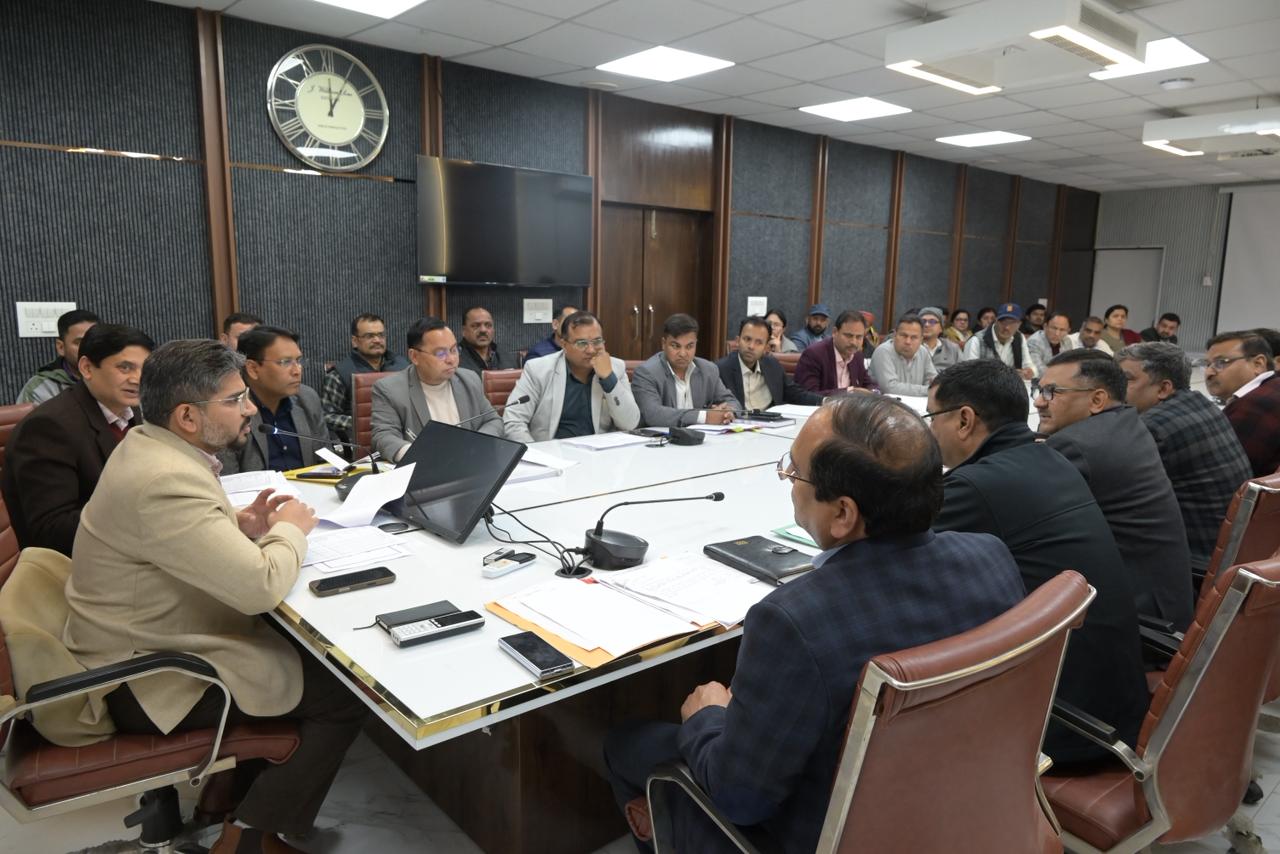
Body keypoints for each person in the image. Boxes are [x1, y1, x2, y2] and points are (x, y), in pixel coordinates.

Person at [602, 394, 1025, 852]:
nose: (787, 480)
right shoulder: (990, 555)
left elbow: (739, 796)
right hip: (966, 809)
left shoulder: (793, 621)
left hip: (830, 835)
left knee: (625, 743)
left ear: (842, 513)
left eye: (795, 471)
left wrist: (706, 717)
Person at [63, 339, 366, 853]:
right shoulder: (164, 479)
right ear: (187, 415)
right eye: (235, 399)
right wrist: (289, 531)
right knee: (344, 691)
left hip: (137, 638)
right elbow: (258, 587)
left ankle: (229, 802)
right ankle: (247, 838)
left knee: (297, 657)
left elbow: (169, 538)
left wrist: (237, 527)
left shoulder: (149, 445)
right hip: (145, 676)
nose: (249, 409)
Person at [927, 360, 1148, 765]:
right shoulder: (1048, 459)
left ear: (964, 420)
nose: (930, 431)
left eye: (932, 417)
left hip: (1061, 726)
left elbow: (887, 543)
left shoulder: (978, 485)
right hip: (1112, 707)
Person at [1035, 349, 1194, 630]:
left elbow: (1026, 517)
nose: (1038, 402)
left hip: (1133, 618)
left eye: (1052, 392)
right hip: (1165, 599)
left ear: (1097, 399)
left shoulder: (1075, 444)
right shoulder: (1125, 422)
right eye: (1039, 390)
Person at [2, 323, 152, 557]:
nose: (138, 379)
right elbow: (52, 529)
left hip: (127, 545)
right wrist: (147, 515)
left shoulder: (133, 411)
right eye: (125, 367)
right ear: (87, 368)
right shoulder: (48, 427)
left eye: (145, 369)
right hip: (76, 561)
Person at [1116, 342, 1252, 574]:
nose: (1114, 389)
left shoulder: (1152, 427)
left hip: (1195, 563)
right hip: (1232, 550)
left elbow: (1112, 495)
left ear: (1163, 388)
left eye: (1126, 380)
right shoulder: (1202, 404)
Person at [370, 317, 503, 463]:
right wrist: (416, 455)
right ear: (414, 356)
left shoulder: (469, 379)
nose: (451, 359)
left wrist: (476, 443)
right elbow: (383, 436)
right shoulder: (389, 389)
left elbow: (493, 420)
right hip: (424, 468)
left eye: (454, 350)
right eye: (440, 354)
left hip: (469, 462)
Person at [503, 311, 639, 443]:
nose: (591, 350)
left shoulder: (615, 368)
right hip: (552, 452)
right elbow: (514, 421)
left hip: (600, 453)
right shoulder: (538, 370)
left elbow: (630, 423)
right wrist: (535, 454)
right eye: (582, 343)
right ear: (564, 345)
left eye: (597, 341)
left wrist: (608, 379)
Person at [222, 326, 333, 474]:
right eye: (285, 362)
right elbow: (228, 480)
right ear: (253, 369)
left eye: (298, 361)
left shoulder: (307, 398)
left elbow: (326, 460)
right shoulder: (229, 410)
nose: (297, 371)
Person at [632, 313, 739, 428]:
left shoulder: (708, 370)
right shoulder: (646, 373)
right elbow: (653, 414)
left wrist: (727, 412)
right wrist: (704, 416)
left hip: (704, 436)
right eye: (675, 346)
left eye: (689, 346)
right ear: (663, 344)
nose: (683, 354)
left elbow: (732, 402)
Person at [321, 313, 409, 446]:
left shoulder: (403, 366)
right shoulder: (339, 374)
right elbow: (326, 416)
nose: (377, 340)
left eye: (381, 335)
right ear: (355, 341)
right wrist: (361, 423)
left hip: (403, 441)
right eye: (369, 336)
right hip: (363, 445)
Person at [1203, 331, 1279, 478]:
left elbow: (1224, 474)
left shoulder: (1255, 406)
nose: (1208, 373)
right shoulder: (1273, 388)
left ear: (1258, 364)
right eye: (1207, 364)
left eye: (1221, 363)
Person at [717, 316, 822, 411]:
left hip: (770, 421)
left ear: (766, 348)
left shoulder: (772, 365)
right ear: (738, 341)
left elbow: (794, 393)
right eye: (747, 339)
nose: (751, 346)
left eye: (759, 342)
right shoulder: (720, 370)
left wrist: (824, 401)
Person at [18, 309, 99, 404]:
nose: (89, 347)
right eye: (79, 343)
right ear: (61, 347)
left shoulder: (112, 376)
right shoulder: (39, 389)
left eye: (95, 341)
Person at [794, 310, 879, 396]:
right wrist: (850, 392)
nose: (854, 342)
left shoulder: (857, 355)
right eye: (848, 336)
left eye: (859, 337)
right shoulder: (814, 354)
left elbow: (868, 383)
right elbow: (808, 394)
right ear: (835, 332)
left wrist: (874, 392)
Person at [869, 313, 938, 396]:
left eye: (914, 337)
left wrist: (933, 388)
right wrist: (927, 390)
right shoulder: (883, 351)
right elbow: (890, 388)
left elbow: (934, 383)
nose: (908, 341)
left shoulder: (923, 352)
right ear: (895, 335)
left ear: (921, 339)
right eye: (903, 336)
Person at [963, 302, 1036, 379]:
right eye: (1003, 322)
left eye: (1012, 323)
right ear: (996, 321)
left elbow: (1029, 365)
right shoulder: (976, 340)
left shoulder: (1019, 338)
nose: (1007, 327)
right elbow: (968, 374)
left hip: (1010, 385)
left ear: (1019, 324)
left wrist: (1029, 371)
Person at [457, 306, 506, 374]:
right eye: (476, 326)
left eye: (488, 325)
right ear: (464, 331)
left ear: (493, 330)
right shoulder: (454, 360)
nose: (483, 330)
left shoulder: (506, 357)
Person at [919, 305, 960, 370]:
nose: (926, 324)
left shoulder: (952, 348)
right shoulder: (912, 346)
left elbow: (963, 372)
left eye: (932, 321)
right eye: (923, 321)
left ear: (941, 328)